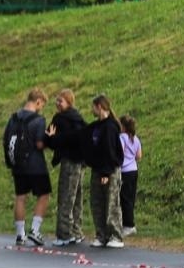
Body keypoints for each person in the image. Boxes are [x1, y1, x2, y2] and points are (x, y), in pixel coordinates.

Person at [4, 88, 50, 247]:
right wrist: (49, 138)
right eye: (41, 105)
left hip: (18, 165)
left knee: (20, 197)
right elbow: (39, 143)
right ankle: (35, 230)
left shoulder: (13, 118)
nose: (41, 108)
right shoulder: (39, 120)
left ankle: (19, 234)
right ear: (38, 101)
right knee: (43, 195)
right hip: (35, 164)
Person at [45, 88, 86, 245]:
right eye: (57, 100)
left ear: (68, 102)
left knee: (66, 197)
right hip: (81, 163)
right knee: (77, 198)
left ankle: (64, 234)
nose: (57, 103)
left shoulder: (60, 119)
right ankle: (77, 230)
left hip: (70, 161)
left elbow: (51, 138)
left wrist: (52, 138)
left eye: (60, 101)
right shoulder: (78, 118)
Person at [84, 94, 125, 248]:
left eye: (93, 107)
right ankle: (101, 235)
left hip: (109, 170)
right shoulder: (96, 126)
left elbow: (110, 151)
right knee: (97, 203)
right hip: (97, 169)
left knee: (111, 203)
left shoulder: (110, 127)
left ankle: (116, 235)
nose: (91, 110)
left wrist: (106, 173)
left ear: (99, 107)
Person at [119, 114, 141, 237]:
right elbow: (139, 155)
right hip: (134, 170)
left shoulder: (122, 137)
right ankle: (129, 222)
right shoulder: (135, 138)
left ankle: (128, 225)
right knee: (131, 197)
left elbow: (120, 152)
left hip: (124, 171)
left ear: (122, 126)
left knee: (124, 198)